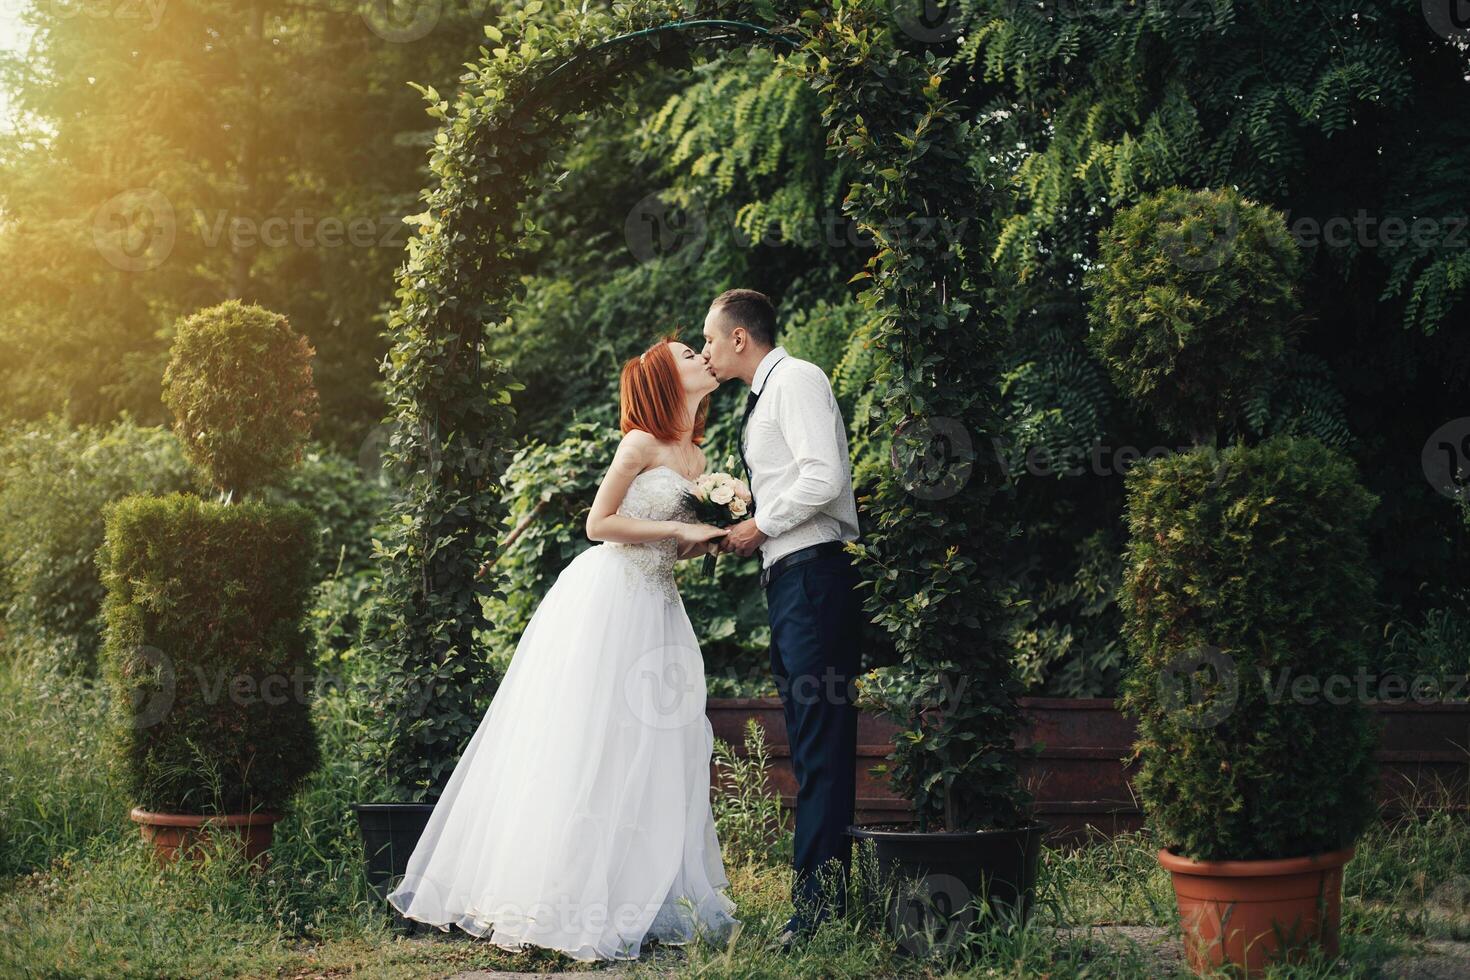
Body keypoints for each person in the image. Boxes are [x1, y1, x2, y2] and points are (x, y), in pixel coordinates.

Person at [386, 337, 739, 962]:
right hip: (611, 601)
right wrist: (677, 526)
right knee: (593, 739)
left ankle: (641, 895)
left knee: (658, 742)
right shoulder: (640, 443)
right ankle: (558, 898)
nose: (701, 359)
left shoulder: (698, 454)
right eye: (689, 354)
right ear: (664, 377)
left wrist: (701, 539)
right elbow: (599, 524)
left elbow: (669, 544)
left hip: (660, 606)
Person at [700, 288, 863, 950]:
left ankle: (815, 912)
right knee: (809, 739)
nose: (705, 349)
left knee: (820, 741)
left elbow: (825, 477)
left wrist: (757, 525)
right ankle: (827, 899)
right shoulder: (762, 397)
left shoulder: (796, 380)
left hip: (814, 578)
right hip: (791, 582)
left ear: (741, 338)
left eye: (710, 338)